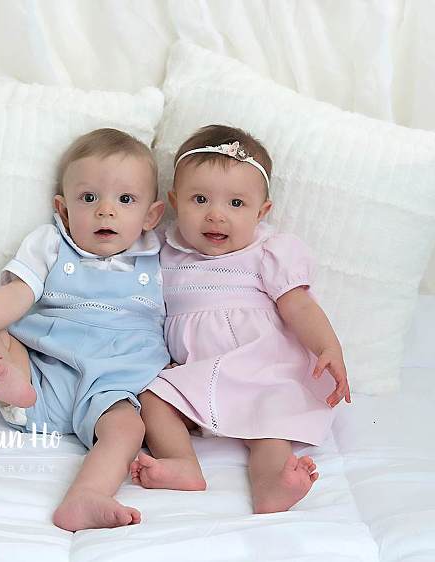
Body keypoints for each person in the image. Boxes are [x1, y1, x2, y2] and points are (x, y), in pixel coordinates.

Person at [0, 128, 168, 531]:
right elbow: (19, 293)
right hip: (45, 363)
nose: (106, 211)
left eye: (125, 200)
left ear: (151, 216)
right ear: (63, 208)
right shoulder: (52, 243)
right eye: (89, 198)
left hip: (112, 385)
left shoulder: (160, 255)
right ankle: (16, 389)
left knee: (128, 430)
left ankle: (87, 495)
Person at [130, 124, 351, 514]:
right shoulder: (160, 251)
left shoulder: (269, 252)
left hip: (262, 365)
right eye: (200, 199)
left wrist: (327, 347)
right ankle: (182, 463)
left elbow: (299, 306)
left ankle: (272, 486)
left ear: (261, 212)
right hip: (197, 371)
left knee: (269, 431)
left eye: (236, 204)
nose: (216, 215)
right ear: (174, 201)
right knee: (151, 397)